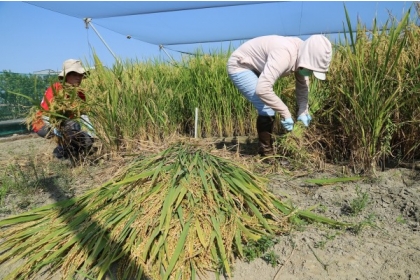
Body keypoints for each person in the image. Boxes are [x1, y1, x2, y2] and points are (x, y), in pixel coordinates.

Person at [227, 34, 332, 156]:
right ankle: (266, 153)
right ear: (307, 58)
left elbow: (303, 86)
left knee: (269, 105)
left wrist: (303, 110)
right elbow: (262, 89)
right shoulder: (284, 54)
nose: (310, 72)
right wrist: (285, 113)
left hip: (258, 65)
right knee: (266, 107)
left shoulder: (302, 54)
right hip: (241, 65)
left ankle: (267, 149)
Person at [32, 59, 94, 159]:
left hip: (69, 125)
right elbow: (46, 114)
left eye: (80, 75)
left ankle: (72, 154)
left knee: (87, 141)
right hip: (44, 124)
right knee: (72, 129)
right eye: (74, 75)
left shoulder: (80, 93)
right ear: (66, 76)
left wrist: (90, 132)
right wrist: (59, 132)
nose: (79, 78)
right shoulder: (55, 89)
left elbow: (83, 115)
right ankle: (61, 152)